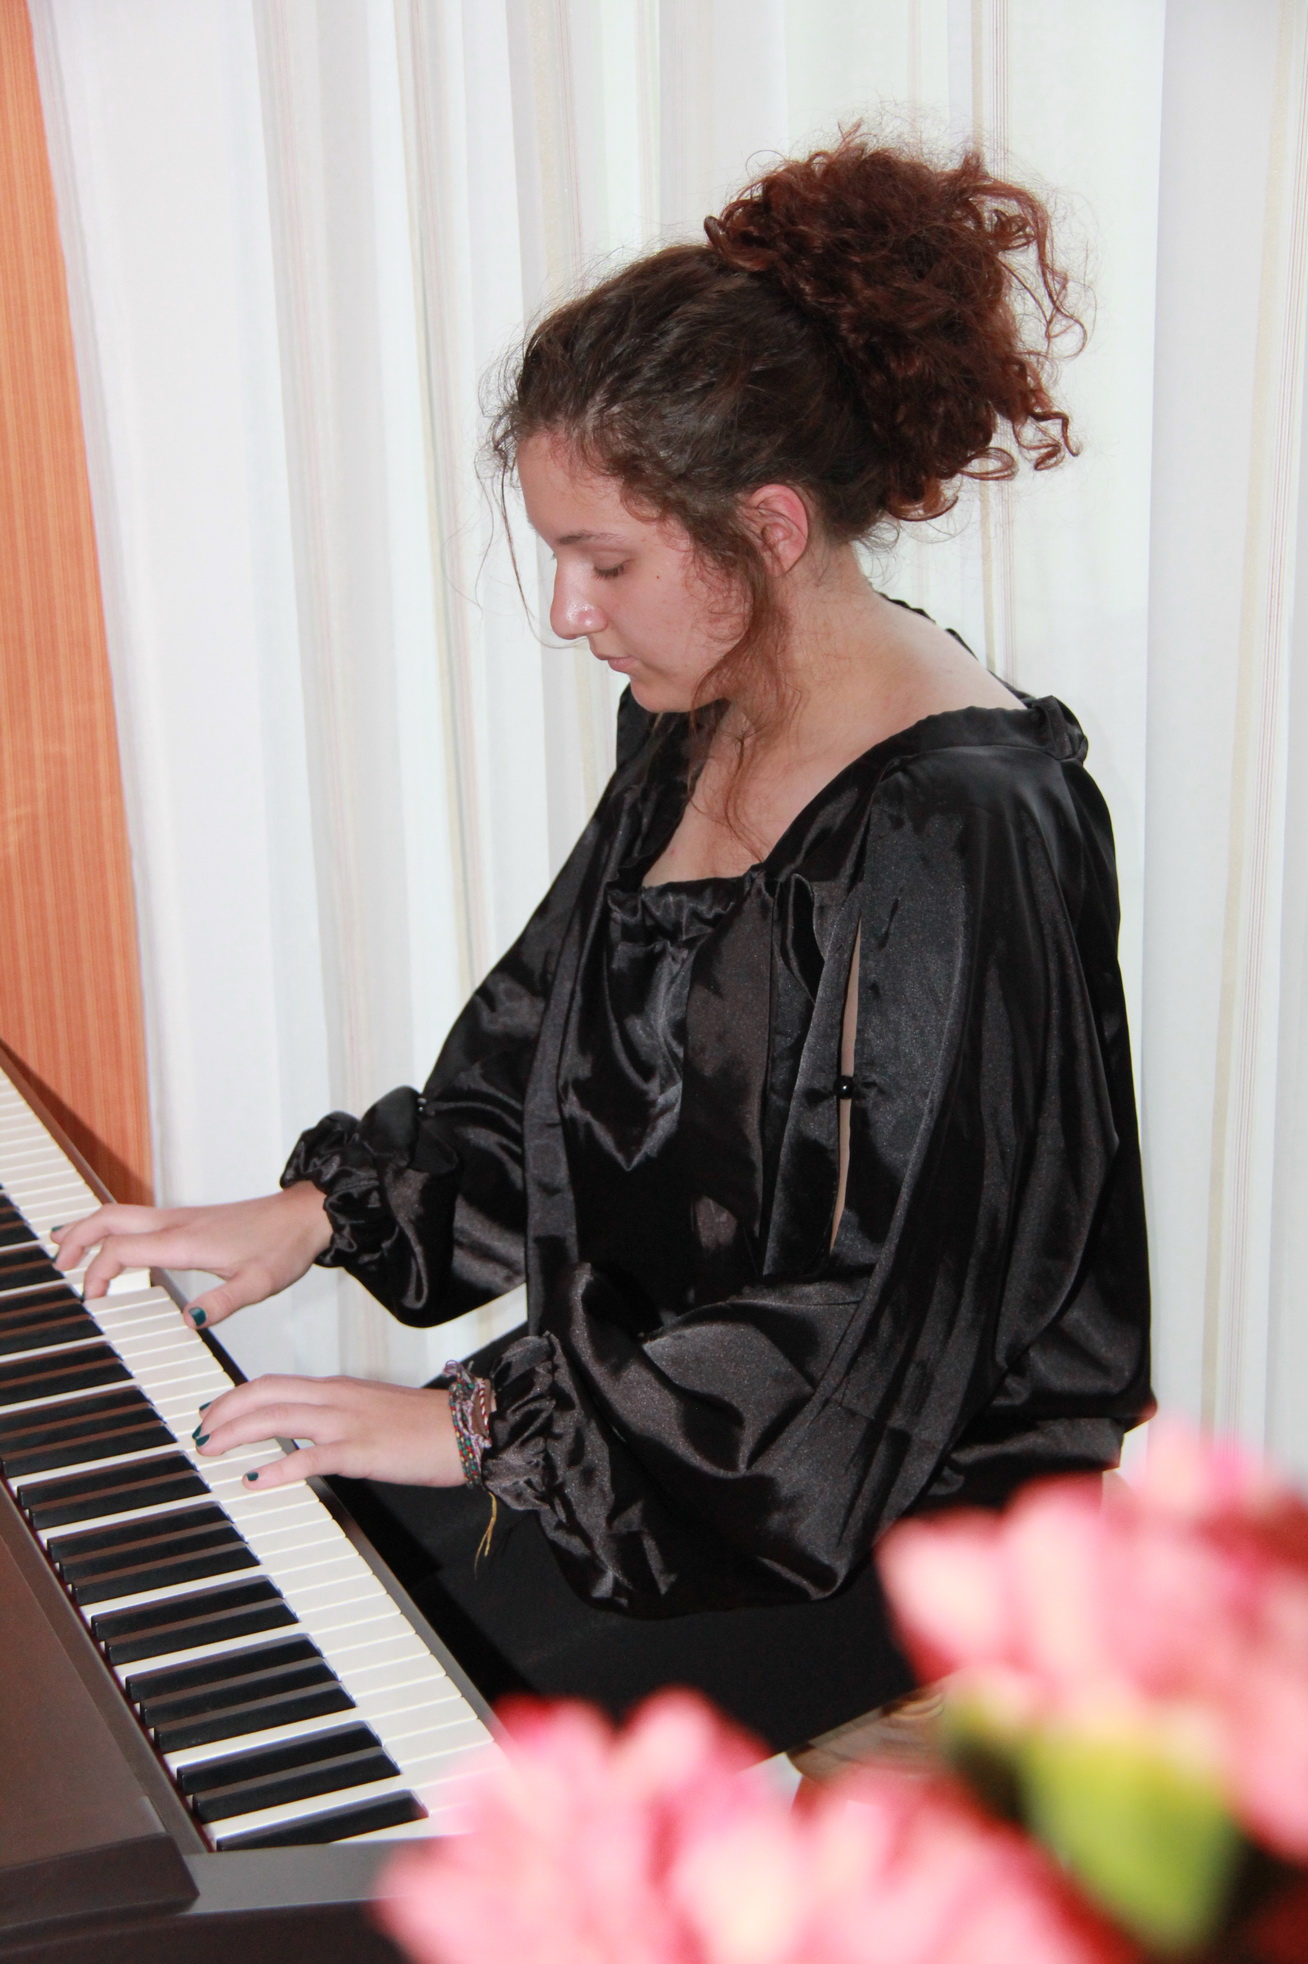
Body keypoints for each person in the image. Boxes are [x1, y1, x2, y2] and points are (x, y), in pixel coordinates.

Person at [54, 135, 1151, 1755]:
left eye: (604, 559)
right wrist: (329, 1211)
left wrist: (476, 1419)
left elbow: (881, 1310)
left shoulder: (959, 824)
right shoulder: (703, 714)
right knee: (261, 1578)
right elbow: (555, 1065)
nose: (568, 609)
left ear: (765, 528)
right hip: (681, 1427)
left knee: (377, 1709)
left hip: (888, 1488)